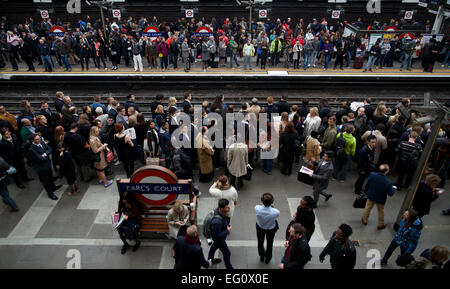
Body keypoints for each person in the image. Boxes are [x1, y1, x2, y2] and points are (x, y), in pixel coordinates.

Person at [27, 133, 61, 200]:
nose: (39, 140)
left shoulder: (42, 143)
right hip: (41, 167)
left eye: (39, 138)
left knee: (50, 177)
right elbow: (40, 159)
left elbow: (50, 149)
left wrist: (45, 154)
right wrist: (46, 155)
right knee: (46, 181)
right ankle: (50, 193)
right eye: (36, 139)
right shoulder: (32, 149)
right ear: (32, 141)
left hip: (47, 164)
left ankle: (53, 187)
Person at [362, 164, 396, 230]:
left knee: (367, 208)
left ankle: (364, 220)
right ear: (386, 171)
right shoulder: (388, 182)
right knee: (381, 211)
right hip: (380, 199)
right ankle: (380, 224)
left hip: (371, 195)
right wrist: (394, 188)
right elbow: (390, 193)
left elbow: (367, 184)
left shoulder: (372, 175)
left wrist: (366, 192)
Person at [207, 198, 233, 269]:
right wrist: (227, 231)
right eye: (227, 206)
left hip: (219, 235)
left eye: (228, 205)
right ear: (221, 209)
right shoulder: (217, 222)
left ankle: (210, 260)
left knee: (214, 246)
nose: (229, 207)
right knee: (227, 253)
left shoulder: (220, 212)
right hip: (219, 239)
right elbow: (217, 236)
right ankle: (229, 267)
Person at [255, 193, 280, 264]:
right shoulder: (275, 212)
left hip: (260, 227)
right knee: (270, 243)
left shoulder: (257, 208)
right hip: (271, 229)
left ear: (262, 200)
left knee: (260, 242)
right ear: (272, 201)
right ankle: (268, 258)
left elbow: (258, 206)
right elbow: (276, 213)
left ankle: (261, 255)